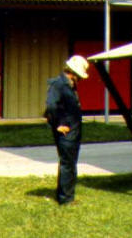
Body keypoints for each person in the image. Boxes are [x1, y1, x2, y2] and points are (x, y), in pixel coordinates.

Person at [45, 55, 89, 205]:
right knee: (67, 163)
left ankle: (66, 194)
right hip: (67, 132)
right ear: (73, 72)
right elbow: (51, 106)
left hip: (73, 132)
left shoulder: (68, 85)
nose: (81, 80)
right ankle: (66, 198)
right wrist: (58, 124)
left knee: (70, 163)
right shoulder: (59, 85)